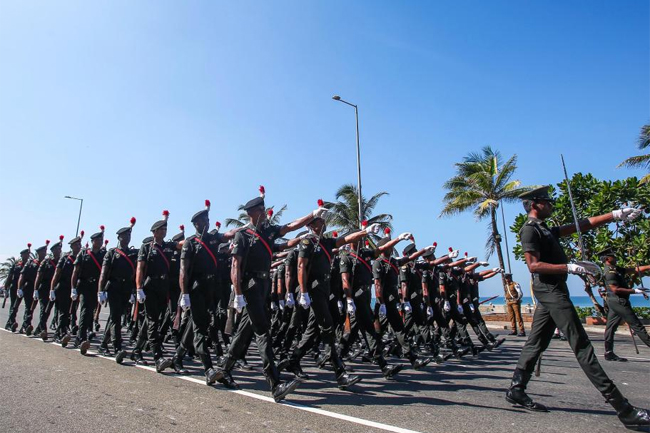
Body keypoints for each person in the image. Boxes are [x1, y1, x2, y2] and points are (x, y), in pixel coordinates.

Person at [505, 185, 649, 431]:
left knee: (535, 343)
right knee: (582, 346)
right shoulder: (529, 230)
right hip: (550, 291)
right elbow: (534, 266)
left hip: (553, 291)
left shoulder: (544, 228)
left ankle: (517, 389)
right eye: (548, 202)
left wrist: (615, 215)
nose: (551, 205)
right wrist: (569, 268)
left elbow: (581, 225)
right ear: (535, 204)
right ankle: (623, 409)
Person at [215, 190, 327, 402]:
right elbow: (236, 265)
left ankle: (223, 368)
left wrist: (312, 214)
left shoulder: (267, 232)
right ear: (253, 213)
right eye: (262, 211)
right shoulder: (243, 235)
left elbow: (290, 226)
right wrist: (237, 292)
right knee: (262, 331)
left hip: (264, 285)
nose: (266, 214)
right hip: (249, 285)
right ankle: (274, 384)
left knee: (245, 329)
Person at [598, 247, 650, 362]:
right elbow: (615, 289)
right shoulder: (609, 272)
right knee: (637, 326)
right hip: (619, 301)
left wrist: (648, 267)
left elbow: (634, 270)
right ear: (607, 258)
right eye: (613, 256)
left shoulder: (615, 269)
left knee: (610, 328)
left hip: (613, 302)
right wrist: (635, 291)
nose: (615, 257)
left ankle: (608, 352)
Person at [97, 218, 138, 364]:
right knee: (116, 318)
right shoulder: (112, 253)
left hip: (126, 289)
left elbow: (134, 274)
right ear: (119, 238)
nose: (127, 238)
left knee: (115, 317)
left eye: (129, 236)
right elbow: (104, 273)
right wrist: (100, 291)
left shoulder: (133, 253)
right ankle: (117, 348)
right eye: (124, 236)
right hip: (114, 288)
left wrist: (134, 291)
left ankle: (103, 345)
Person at [71, 226, 106, 355]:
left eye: (101, 240)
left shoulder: (103, 254)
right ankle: (81, 338)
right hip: (84, 285)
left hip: (96, 286)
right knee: (85, 310)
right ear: (92, 241)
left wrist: (103, 289)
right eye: (98, 240)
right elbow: (75, 272)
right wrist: (73, 288)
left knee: (91, 310)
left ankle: (85, 333)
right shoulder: (84, 253)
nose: (100, 242)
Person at [51, 232, 83, 346]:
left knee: (71, 311)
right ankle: (59, 333)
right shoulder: (65, 258)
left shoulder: (81, 258)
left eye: (79, 244)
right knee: (64, 312)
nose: (78, 247)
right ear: (71, 247)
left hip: (73, 289)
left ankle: (64, 330)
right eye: (76, 245)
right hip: (63, 288)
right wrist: (52, 289)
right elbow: (57, 274)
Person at [17, 241, 48, 335]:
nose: (44, 253)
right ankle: (26, 325)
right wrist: (19, 288)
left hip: (42, 287)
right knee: (29, 308)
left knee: (44, 308)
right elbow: (22, 275)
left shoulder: (47, 263)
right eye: (42, 252)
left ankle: (42, 327)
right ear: (38, 253)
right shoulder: (31, 263)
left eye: (45, 252)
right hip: (30, 287)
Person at [4, 246, 30, 332]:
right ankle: (11, 323)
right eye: (25, 254)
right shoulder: (16, 265)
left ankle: (25, 325)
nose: (27, 256)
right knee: (14, 306)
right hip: (15, 288)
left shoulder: (30, 265)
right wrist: (5, 288)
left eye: (28, 254)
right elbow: (9, 277)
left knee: (28, 307)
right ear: (21, 255)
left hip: (25, 288)